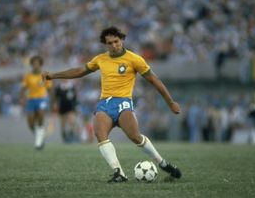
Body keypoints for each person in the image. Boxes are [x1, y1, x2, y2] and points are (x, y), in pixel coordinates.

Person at [41, 26, 182, 182]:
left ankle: (162, 163)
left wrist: (171, 102)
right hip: (105, 104)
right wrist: (53, 75)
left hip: (123, 103)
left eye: (116, 41)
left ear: (122, 39)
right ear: (105, 44)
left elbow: (154, 81)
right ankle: (119, 173)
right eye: (110, 43)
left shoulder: (134, 59)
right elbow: (79, 71)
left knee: (136, 137)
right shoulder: (100, 59)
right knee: (100, 135)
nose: (114, 45)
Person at [20, 56, 52, 150]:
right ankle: (40, 136)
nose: (35, 65)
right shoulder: (28, 76)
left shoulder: (44, 75)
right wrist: (22, 98)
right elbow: (23, 89)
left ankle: (39, 141)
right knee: (30, 123)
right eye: (33, 64)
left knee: (41, 115)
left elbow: (50, 89)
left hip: (42, 99)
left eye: (37, 63)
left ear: (40, 64)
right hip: (31, 100)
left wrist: (53, 102)